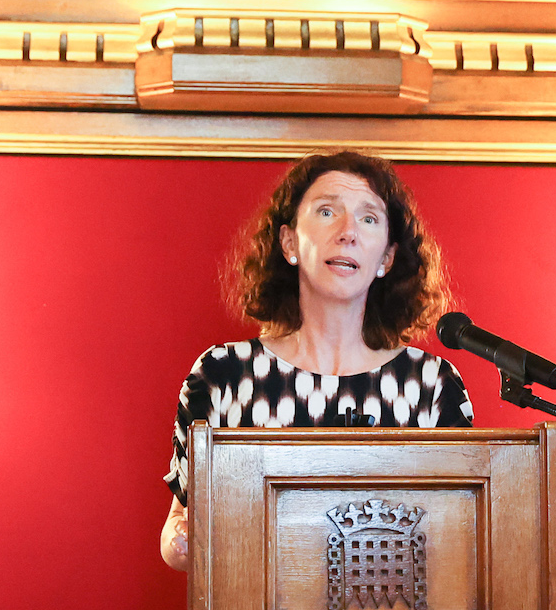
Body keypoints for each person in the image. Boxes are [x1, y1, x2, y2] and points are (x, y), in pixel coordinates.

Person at [159, 151, 474, 571]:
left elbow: (458, 539)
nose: (348, 233)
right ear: (289, 242)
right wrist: (183, 543)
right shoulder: (222, 376)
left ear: (386, 258)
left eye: (369, 218)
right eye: (328, 211)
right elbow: (179, 526)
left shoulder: (432, 385)